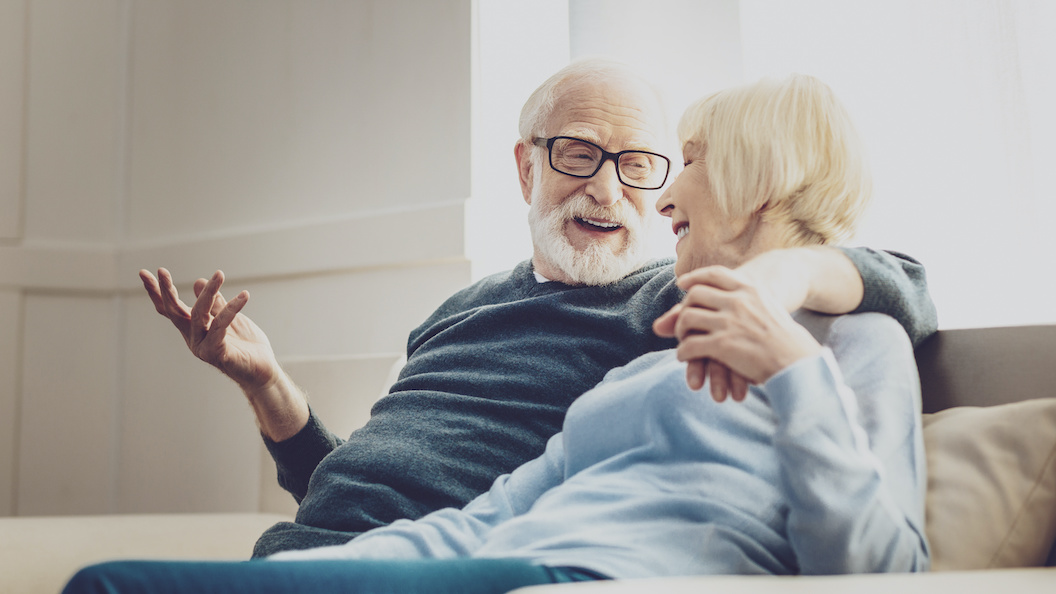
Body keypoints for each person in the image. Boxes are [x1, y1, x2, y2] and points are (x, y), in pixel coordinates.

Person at [67, 73, 928, 594]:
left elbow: (900, 282)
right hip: (407, 555)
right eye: (580, 154)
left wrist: (783, 302)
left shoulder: (673, 309)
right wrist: (270, 398)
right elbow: (479, 509)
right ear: (527, 166)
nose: (634, 192)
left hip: (541, 575)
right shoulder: (504, 326)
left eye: (657, 164)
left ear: (760, 180)